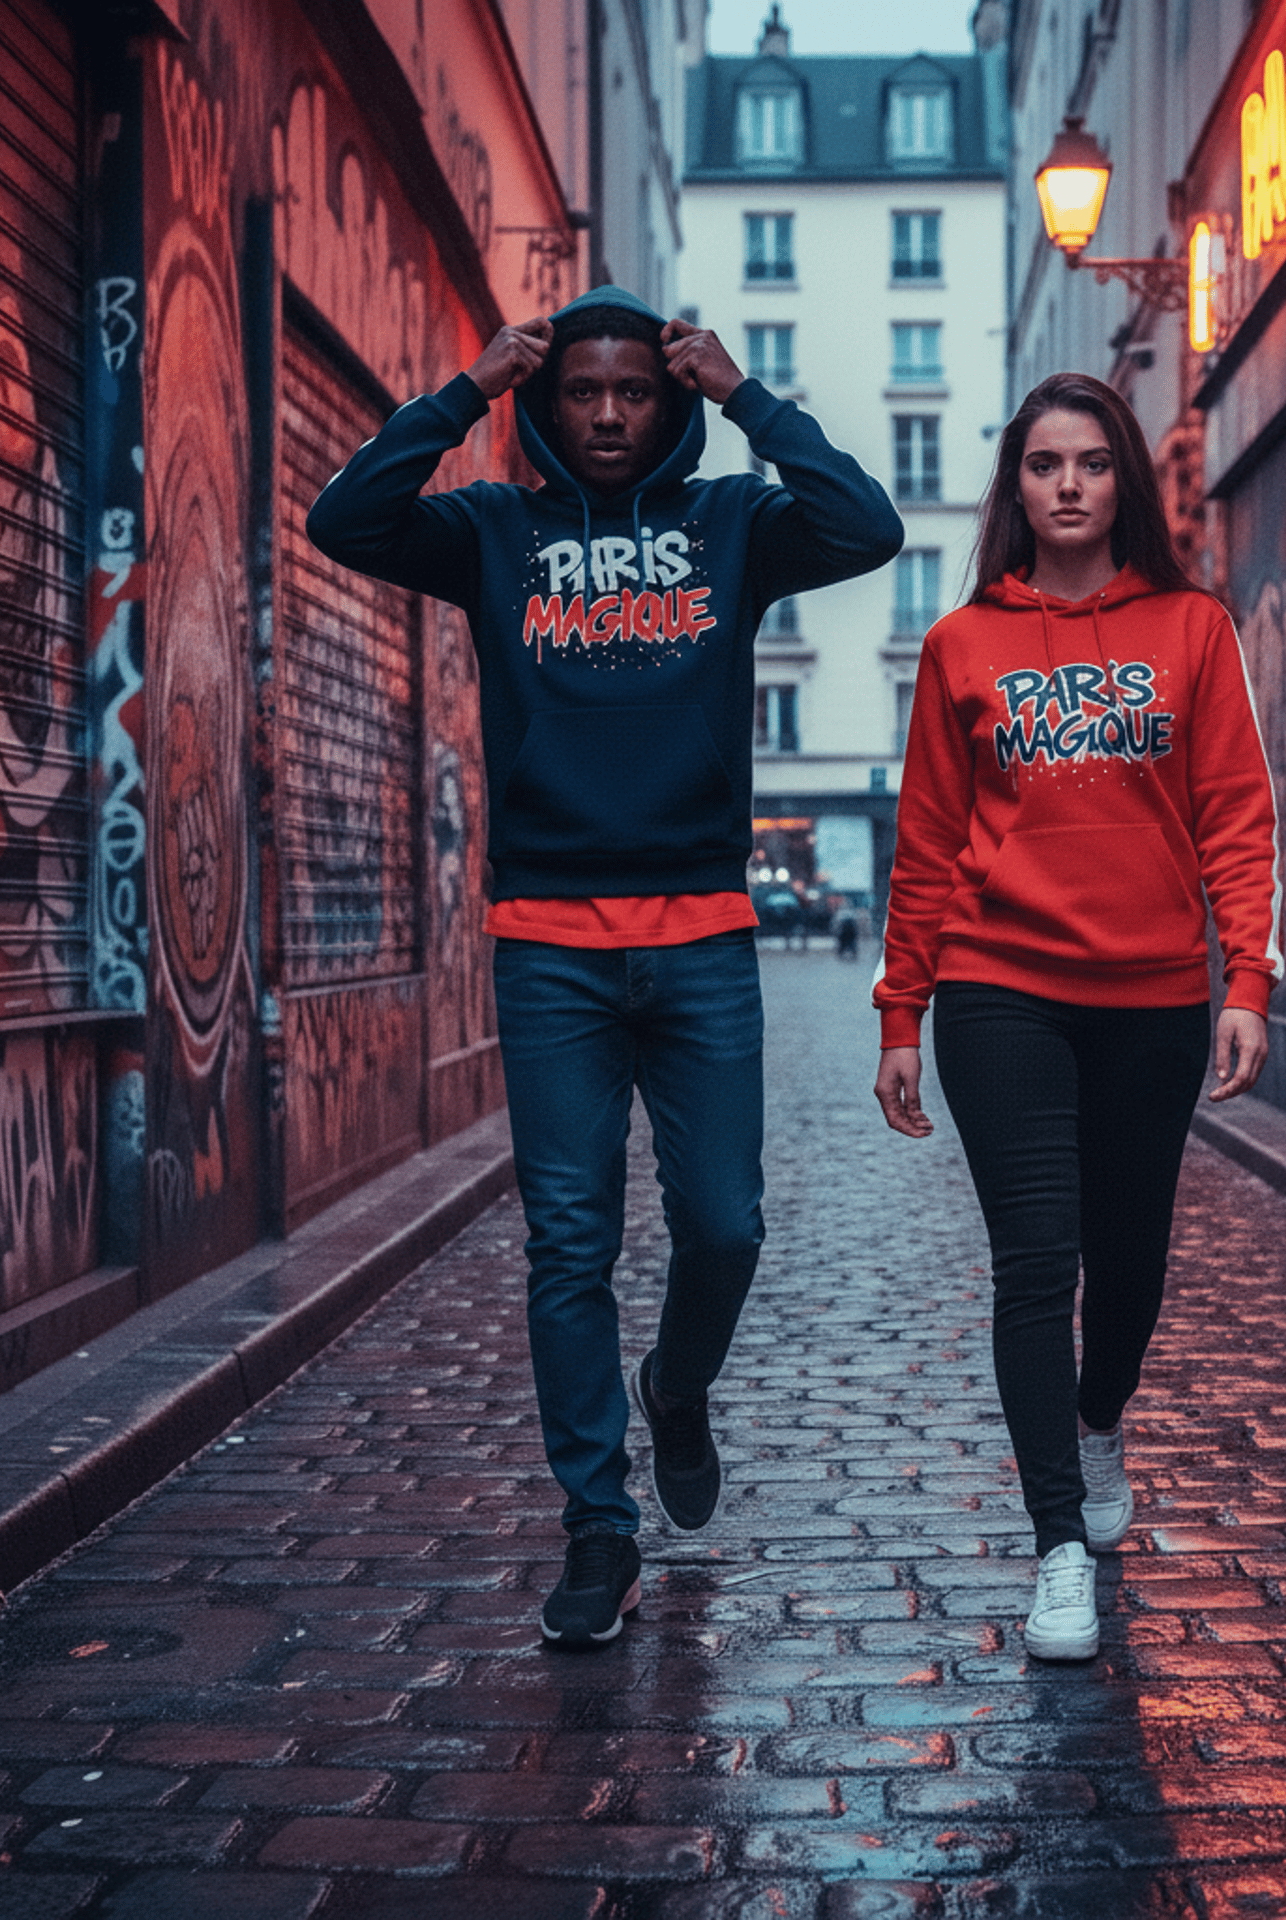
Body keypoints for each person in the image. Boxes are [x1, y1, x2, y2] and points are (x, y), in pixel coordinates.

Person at [309, 289, 901, 1647]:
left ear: (670, 401)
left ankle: (676, 1389)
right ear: (548, 404)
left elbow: (866, 524)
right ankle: (598, 1528)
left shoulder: (734, 525)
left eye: (637, 390)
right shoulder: (490, 532)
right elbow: (344, 519)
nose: (612, 414)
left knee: (726, 1227)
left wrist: (746, 397)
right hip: (550, 952)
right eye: (584, 391)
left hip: (702, 941)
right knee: (568, 1245)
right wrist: (468, 389)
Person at [871, 372, 1280, 1662]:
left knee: (1133, 1262)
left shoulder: (1193, 629)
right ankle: (1056, 1542)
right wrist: (901, 1011)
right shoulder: (961, 645)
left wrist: (1247, 980)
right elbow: (926, 842)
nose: (1068, 485)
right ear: (1016, 486)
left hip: (1152, 996)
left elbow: (1236, 812)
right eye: (1044, 464)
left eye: (1092, 463)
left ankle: (1101, 1422)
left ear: (1124, 482)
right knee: (1038, 1265)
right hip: (998, 991)